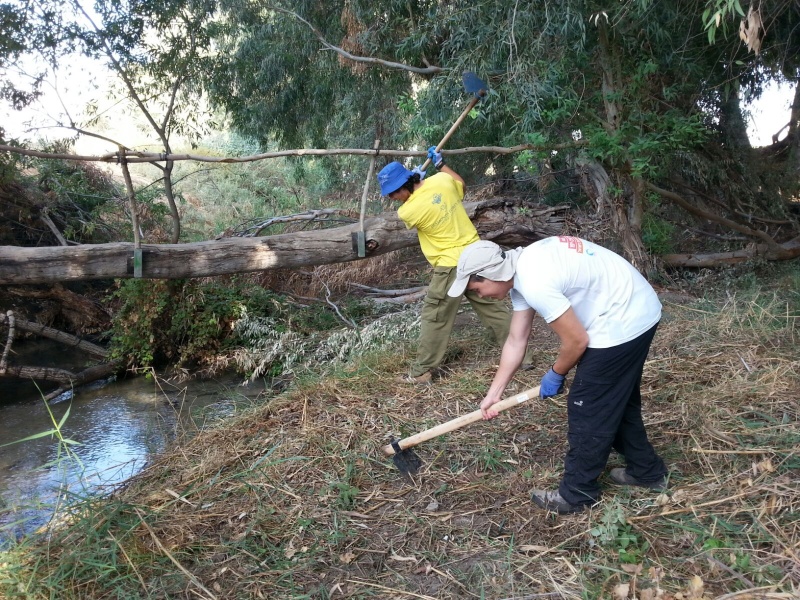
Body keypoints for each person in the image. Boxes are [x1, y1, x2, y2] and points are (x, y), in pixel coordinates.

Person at [447, 236, 668, 514]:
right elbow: (516, 340)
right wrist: (494, 394)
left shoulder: (534, 280)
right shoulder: (521, 271)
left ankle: (577, 494)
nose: (480, 295)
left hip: (623, 319)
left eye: (476, 288)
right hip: (636, 307)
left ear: (490, 273)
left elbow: (576, 341)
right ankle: (647, 471)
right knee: (614, 401)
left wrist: (556, 373)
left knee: (588, 407)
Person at [376, 147, 524, 384]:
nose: (392, 199)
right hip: (476, 256)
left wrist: (419, 188)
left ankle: (422, 371)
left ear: (403, 185)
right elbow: (460, 184)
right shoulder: (442, 181)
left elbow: (418, 205)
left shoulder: (408, 211)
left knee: (435, 317)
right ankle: (522, 358)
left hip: (450, 266)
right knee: (493, 310)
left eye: (392, 193)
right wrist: (441, 165)